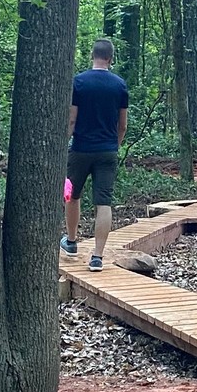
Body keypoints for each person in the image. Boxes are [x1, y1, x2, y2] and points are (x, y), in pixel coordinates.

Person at [62, 38, 128, 271]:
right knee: (104, 203)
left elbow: (72, 119)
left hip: (80, 148)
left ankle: (71, 242)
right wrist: (114, 145)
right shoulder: (119, 85)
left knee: (72, 195)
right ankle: (97, 257)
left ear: (93, 55)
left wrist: (65, 145)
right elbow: (123, 125)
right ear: (111, 58)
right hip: (107, 151)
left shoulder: (78, 82)